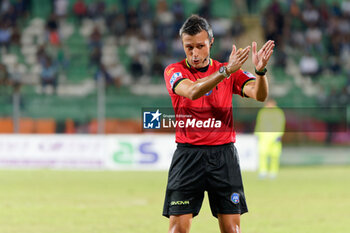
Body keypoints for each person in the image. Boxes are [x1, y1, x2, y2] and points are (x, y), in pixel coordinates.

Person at [163, 15, 274, 233]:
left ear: (211, 43)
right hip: (188, 156)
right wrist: (225, 72)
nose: (195, 53)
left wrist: (260, 72)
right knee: (177, 230)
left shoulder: (229, 70)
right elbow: (193, 91)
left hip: (223, 156)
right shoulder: (174, 71)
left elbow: (259, 95)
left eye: (200, 46)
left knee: (232, 230)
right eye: (189, 47)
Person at [254, 98, 285, 179]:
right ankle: (263, 171)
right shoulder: (263, 111)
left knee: (274, 155)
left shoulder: (278, 112)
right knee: (262, 154)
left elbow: (281, 123)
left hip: (274, 136)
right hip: (263, 136)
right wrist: (257, 133)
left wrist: (279, 135)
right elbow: (259, 122)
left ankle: (273, 172)